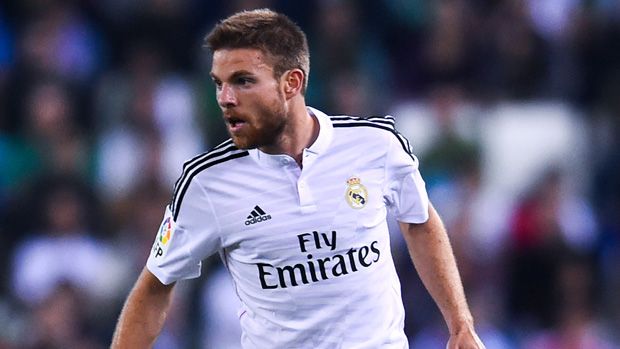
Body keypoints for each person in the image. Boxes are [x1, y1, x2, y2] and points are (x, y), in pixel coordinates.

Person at [111, 8, 485, 349]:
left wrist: (460, 323)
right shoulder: (207, 182)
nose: (224, 98)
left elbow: (419, 222)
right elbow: (155, 287)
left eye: (242, 81)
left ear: (292, 82)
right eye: (218, 83)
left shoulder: (377, 145)